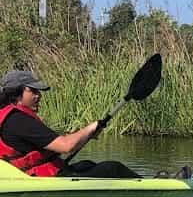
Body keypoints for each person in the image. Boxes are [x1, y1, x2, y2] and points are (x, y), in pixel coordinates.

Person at [0, 69, 144, 178]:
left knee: (86, 164)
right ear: (16, 92)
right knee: (112, 168)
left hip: (36, 174)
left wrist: (87, 135)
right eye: (33, 90)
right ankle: (153, 189)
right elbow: (66, 146)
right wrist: (91, 126)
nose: (38, 95)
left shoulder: (11, 117)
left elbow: (56, 145)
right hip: (43, 179)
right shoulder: (18, 120)